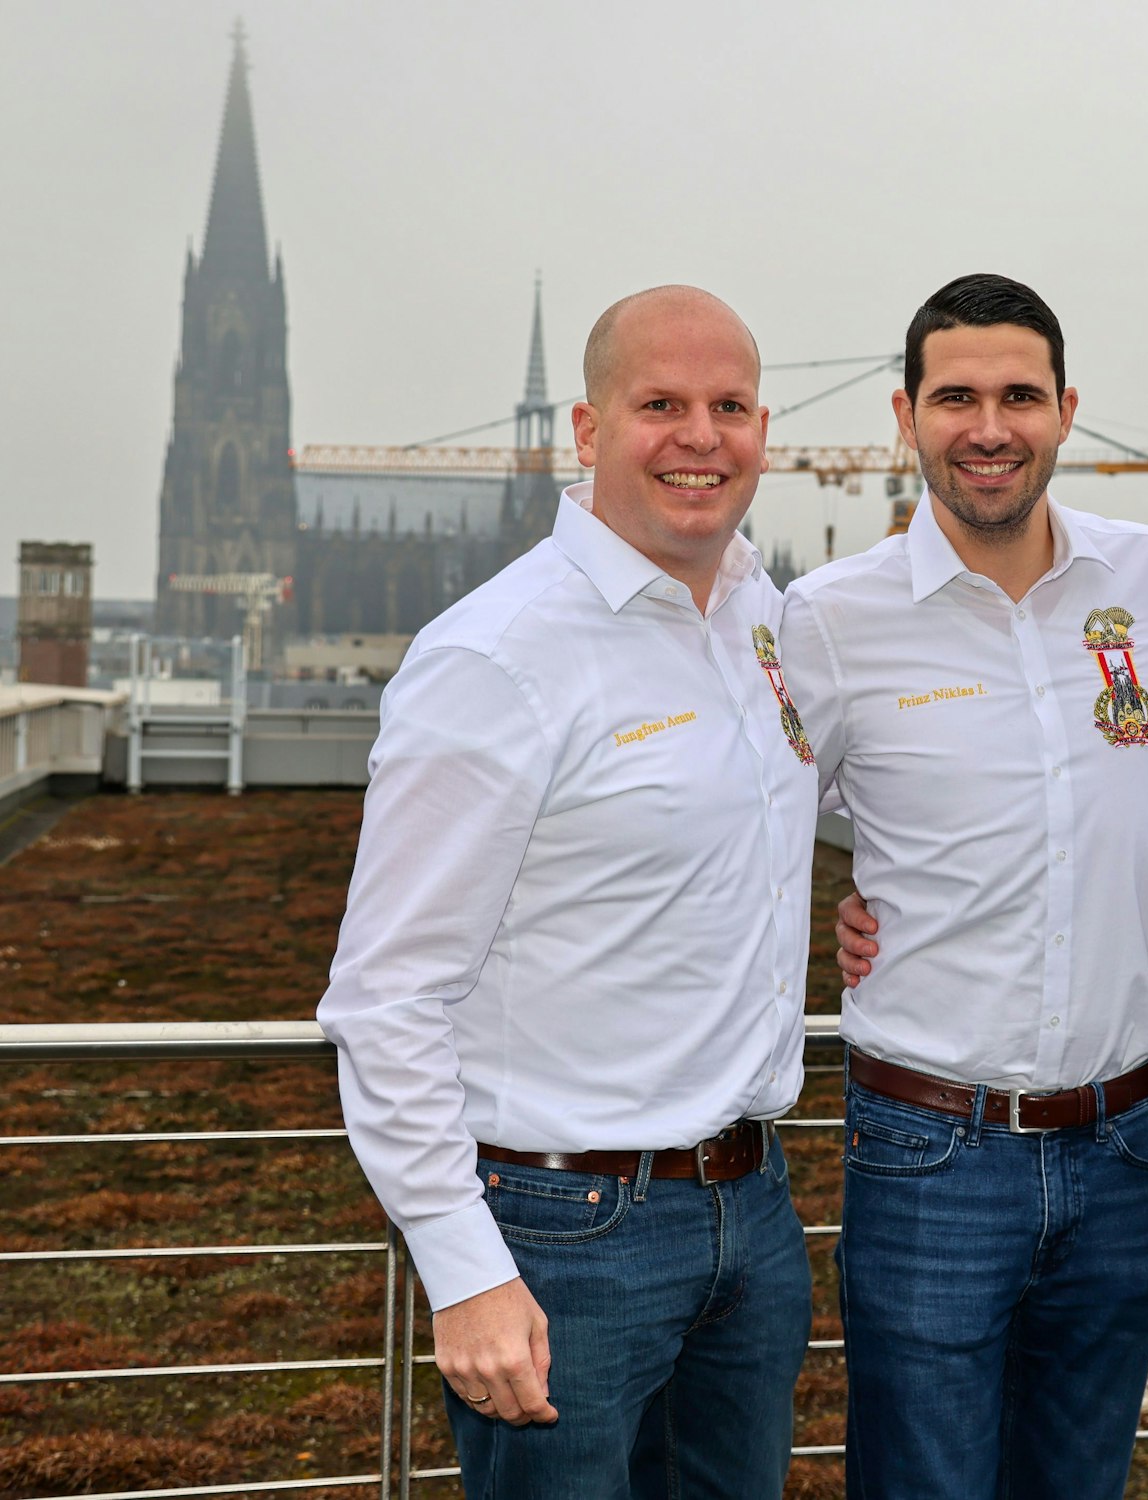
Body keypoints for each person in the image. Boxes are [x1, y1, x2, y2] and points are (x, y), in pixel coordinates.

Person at [318, 286, 818, 1498]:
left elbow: (774, 833)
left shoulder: (761, 619)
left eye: (730, 406)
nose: (700, 436)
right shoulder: (495, 658)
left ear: (763, 431)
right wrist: (464, 1268)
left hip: (750, 1212)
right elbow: (386, 997)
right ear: (588, 430)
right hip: (564, 1234)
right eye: (661, 405)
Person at [780, 272, 1148, 1498]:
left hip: (1129, 1143)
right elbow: (748, 824)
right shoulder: (829, 619)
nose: (988, 426)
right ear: (903, 418)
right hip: (931, 1150)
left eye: (1019, 395)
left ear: (1065, 410)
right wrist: (846, 911)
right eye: (954, 397)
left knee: (1080, 1479)